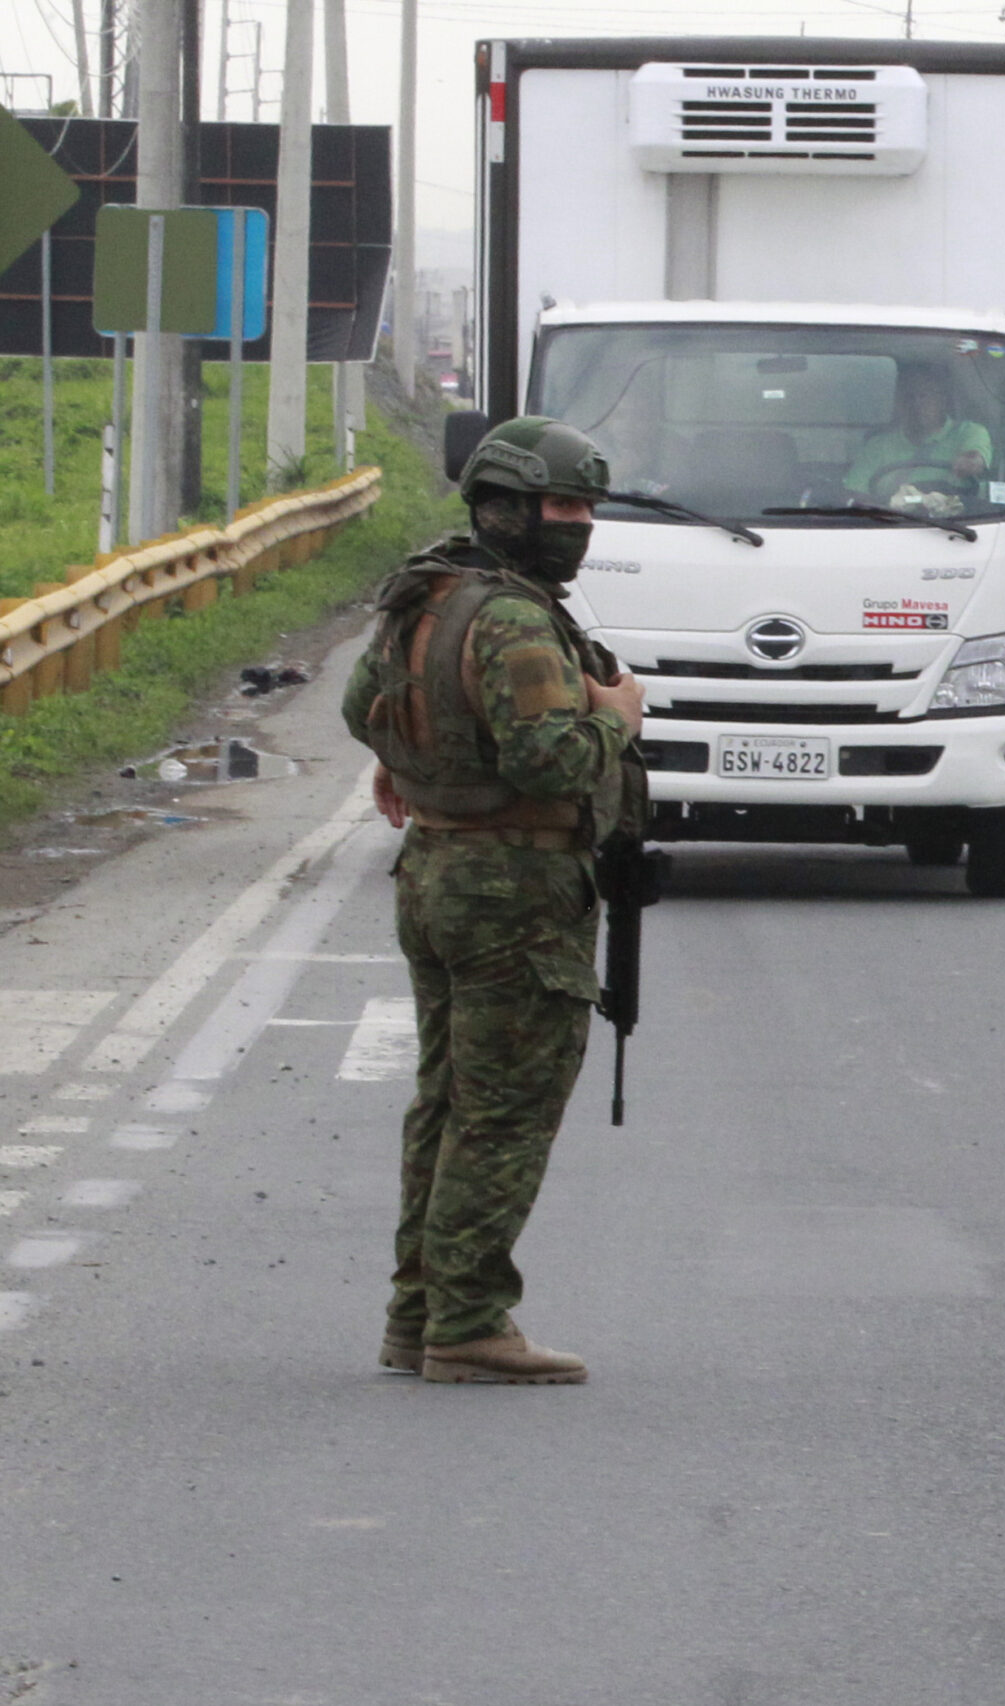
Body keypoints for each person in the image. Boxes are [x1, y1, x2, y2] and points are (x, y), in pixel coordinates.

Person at [343, 416, 644, 1385]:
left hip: (435, 873)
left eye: (586, 506)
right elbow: (548, 758)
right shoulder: (513, 618)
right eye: (560, 504)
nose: (578, 523)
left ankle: (418, 1316)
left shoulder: (428, 591)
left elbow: (361, 706)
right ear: (505, 508)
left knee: (446, 1102)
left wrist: (415, 761)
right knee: (503, 1112)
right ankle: (468, 1323)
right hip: (515, 888)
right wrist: (617, 719)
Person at [845, 364, 992, 495]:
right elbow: (855, 495)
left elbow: (975, 459)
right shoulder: (877, 446)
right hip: (889, 516)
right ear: (898, 403)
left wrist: (970, 462)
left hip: (957, 516)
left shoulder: (968, 433)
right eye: (909, 397)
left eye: (924, 395)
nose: (916, 403)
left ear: (942, 400)